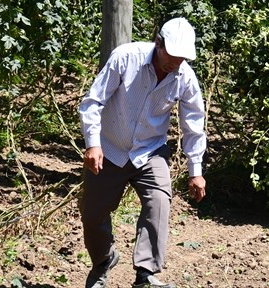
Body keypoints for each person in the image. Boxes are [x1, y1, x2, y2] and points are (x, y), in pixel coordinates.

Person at [78, 17, 207, 288]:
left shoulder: (185, 78)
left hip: (150, 152)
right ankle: (103, 260)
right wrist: (92, 143)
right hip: (110, 148)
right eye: (171, 56)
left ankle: (145, 276)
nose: (175, 64)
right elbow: (93, 101)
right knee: (92, 213)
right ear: (158, 43)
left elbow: (193, 125)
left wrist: (196, 171)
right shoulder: (126, 58)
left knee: (158, 202)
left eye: (181, 59)